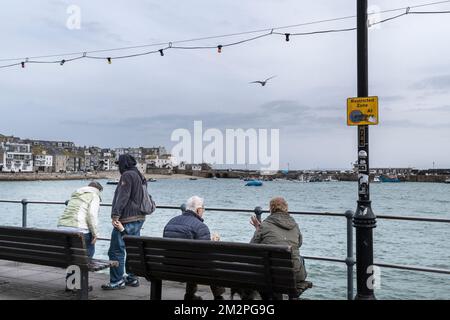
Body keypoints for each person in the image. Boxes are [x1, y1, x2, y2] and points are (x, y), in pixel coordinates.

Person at [163, 196, 225, 300]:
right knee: (211, 261)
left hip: (169, 268)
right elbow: (206, 255)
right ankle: (218, 296)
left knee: (191, 257)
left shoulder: (170, 222)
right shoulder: (201, 227)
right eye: (203, 208)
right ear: (198, 210)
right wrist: (214, 243)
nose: (204, 210)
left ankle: (190, 295)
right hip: (191, 269)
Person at [102, 154, 147, 290]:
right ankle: (132, 277)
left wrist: (115, 215)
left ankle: (117, 280)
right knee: (132, 249)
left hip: (126, 218)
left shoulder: (127, 175)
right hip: (139, 217)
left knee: (116, 251)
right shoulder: (140, 175)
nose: (118, 167)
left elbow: (123, 196)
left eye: (118, 164)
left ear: (123, 164)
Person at [250, 197, 307, 299]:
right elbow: (299, 244)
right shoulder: (294, 224)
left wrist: (258, 229)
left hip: (270, 275)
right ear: (286, 208)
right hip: (293, 275)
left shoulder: (265, 225)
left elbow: (252, 247)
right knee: (300, 259)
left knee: (268, 266)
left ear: (270, 209)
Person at [57, 181, 103, 292]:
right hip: (79, 229)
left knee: (71, 255)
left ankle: (71, 284)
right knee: (87, 254)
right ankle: (81, 284)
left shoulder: (76, 195)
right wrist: (95, 234)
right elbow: (91, 215)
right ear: (98, 190)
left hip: (62, 227)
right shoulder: (94, 195)